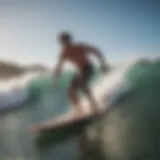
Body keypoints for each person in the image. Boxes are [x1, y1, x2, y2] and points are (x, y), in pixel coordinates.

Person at [54, 31, 108, 117]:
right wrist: (56, 79)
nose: (63, 44)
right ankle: (79, 109)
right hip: (80, 71)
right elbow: (59, 67)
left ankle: (94, 105)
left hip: (88, 68)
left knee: (82, 82)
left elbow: (96, 51)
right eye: (61, 42)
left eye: (64, 41)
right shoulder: (63, 53)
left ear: (69, 40)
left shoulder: (80, 46)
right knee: (70, 89)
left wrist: (103, 64)